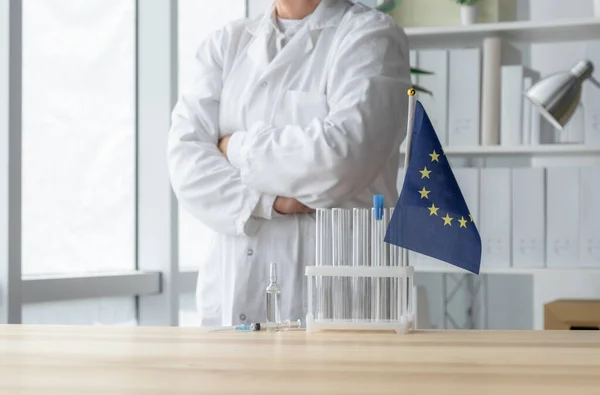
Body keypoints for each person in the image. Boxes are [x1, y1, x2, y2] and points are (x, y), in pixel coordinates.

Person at [167, 0, 411, 327]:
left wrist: (233, 146)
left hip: (336, 297)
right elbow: (186, 164)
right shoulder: (225, 44)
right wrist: (271, 201)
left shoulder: (371, 36)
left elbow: (340, 159)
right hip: (233, 290)